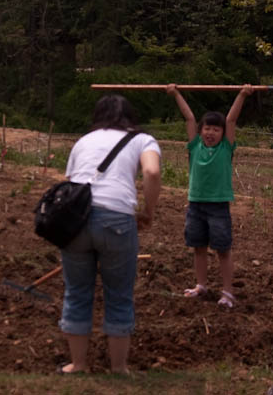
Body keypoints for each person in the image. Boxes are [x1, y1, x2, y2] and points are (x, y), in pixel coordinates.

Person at [58, 94, 162, 375]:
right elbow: (151, 172)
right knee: (119, 294)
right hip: (117, 219)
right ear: (130, 116)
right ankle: (118, 368)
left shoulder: (84, 141)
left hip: (76, 221)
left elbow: (71, 184)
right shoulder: (142, 139)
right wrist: (148, 211)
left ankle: (78, 365)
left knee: (77, 292)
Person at [166, 83, 254, 308]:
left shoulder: (226, 149)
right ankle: (201, 285)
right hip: (195, 205)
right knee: (198, 247)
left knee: (222, 250)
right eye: (207, 128)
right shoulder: (194, 146)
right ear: (201, 130)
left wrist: (242, 94)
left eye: (216, 129)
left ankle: (227, 291)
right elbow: (189, 117)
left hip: (218, 207)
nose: (211, 132)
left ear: (223, 134)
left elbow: (232, 119)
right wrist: (175, 93)